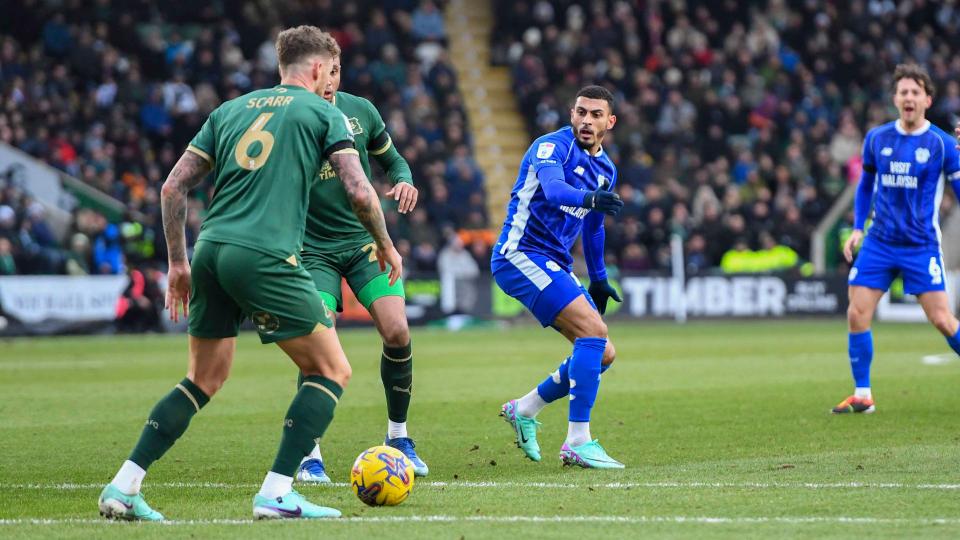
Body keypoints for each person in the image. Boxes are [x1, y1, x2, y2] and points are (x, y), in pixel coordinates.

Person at [97, 26, 401, 521]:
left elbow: (173, 188)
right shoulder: (325, 112)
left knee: (203, 378)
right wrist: (386, 246)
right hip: (265, 254)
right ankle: (278, 492)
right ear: (320, 69)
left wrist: (177, 263)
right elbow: (361, 191)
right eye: (331, 72)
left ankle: (125, 485)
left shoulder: (231, 111)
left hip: (211, 251)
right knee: (331, 369)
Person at [294, 54, 427, 484]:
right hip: (313, 250)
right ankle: (308, 452)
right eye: (323, 72)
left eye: (336, 72)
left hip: (364, 243)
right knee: (319, 338)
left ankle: (399, 437)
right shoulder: (293, 119)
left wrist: (404, 179)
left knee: (398, 331)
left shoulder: (361, 112)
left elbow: (394, 161)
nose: (330, 80)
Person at [491, 85, 625, 468]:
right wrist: (589, 199)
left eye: (596, 115)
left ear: (609, 122)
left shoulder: (606, 170)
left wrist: (598, 277)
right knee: (593, 334)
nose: (586, 120)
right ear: (571, 114)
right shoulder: (551, 147)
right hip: (519, 254)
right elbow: (553, 191)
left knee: (604, 353)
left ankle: (525, 408)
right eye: (581, 112)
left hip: (555, 260)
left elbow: (594, 227)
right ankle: (577, 441)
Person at [835, 64, 960, 414]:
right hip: (880, 242)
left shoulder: (942, 144)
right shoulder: (877, 138)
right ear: (895, 98)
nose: (908, 97)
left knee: (943, 321)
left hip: (921, 245)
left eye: (915, 92)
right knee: (857, 313)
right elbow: (865, 186)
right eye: (903, 92)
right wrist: (859, 227)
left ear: (927, 100)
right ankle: (863, 394)